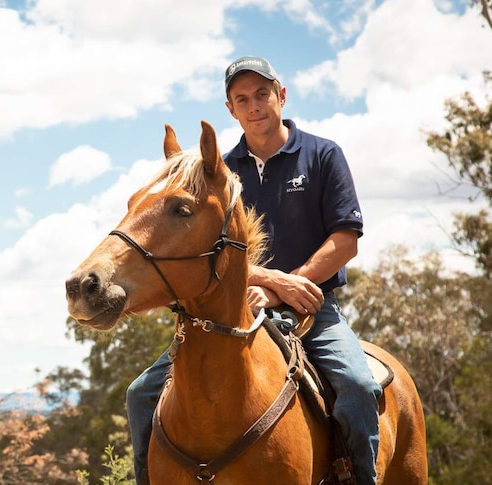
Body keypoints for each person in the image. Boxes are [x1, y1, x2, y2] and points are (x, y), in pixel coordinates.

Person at [125, 56, 381, 485]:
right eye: (242, 99)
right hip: (235, 309)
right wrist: (267, 280)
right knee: (140, 395)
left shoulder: (322, 155)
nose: (254, 105)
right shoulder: (219, 174)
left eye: (262, 94)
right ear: (231, 110)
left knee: (357, 387)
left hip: (313, 308)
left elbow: (345, 240)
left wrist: (291, 285)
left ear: (280, 95)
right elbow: (207, 249)